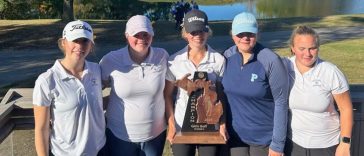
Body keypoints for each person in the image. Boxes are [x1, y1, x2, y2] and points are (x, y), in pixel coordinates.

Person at [33, 20, 106, 156]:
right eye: (75, 40)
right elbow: (41, 129)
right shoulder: (46, 81)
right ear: (63, 43)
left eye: (85, 41)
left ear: (91, 45)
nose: (80, 45)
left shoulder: (96, 70)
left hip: (99, 149)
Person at [99, 15, 168, 156]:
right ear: (126, 35)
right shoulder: (110, 60)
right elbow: (93, 88)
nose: (142, 38)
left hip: (155, 135)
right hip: (120, 136)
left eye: (146, 34)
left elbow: (172, 89)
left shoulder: (162, 56)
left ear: (152, 35)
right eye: (136, 34)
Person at [222, 12, 288, 156]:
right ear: (233, 35)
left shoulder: (271, 60)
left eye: (250, 33)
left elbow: (281, 102)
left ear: (257, 34)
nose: (245, 37)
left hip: (263, 139)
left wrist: (277, 144)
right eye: (240, 33)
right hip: (235, 137)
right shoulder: (226, 56)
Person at [165, 9, 227, 156]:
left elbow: (222, 95)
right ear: (185, 34)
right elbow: (167, 95)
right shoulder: (174, 61)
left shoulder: (218, 60)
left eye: (202, 31)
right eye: (193, 32)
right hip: (181, 126)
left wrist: (223, 124)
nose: (198, 36)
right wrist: (172, 125)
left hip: (210, 125)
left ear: (207, 31)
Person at [283, 25, 353, 156]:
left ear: (318, 48)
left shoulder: (331, 72)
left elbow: (346, 109)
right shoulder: (284, 67)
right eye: (302, 48)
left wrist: (345, 143)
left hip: (326, 145)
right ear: (292, 48)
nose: (307, 54)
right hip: (293, 144)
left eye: (312, 48)